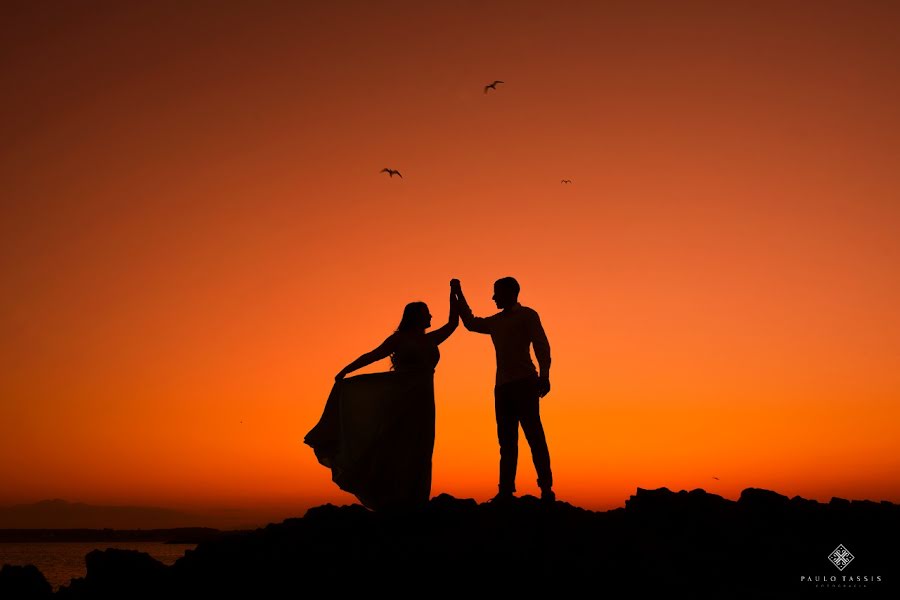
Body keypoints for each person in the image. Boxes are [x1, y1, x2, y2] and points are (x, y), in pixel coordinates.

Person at [304, 290, 458, 511]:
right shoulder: (399, 339)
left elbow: (453, 323)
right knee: (395, 445)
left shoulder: (431, 339)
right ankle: (392, 498)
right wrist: (346, 370)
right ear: (416, 316)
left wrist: (455, 293)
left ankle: (416, 499)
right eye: (427, 313)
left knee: (421, 447)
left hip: (424, 401)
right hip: (400, 399)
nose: (431, 316)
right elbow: (373, 355)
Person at [451, 277, 555, 503]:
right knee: (506, 441)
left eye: (496, 293)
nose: (493, 297)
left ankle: (546, 488)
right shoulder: (496, 321)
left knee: (534, 436)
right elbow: (470, 323)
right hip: (503, 387)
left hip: (526, 383)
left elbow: (541, 345)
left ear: (510, 293)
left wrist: (545, 376)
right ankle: (506, 490)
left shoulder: (528, 315)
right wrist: (458, 293)